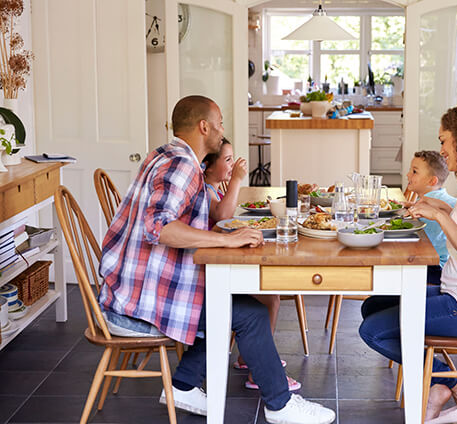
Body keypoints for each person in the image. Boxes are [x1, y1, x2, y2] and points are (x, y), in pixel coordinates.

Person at [98, 95, 335, 424]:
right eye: (220, 123)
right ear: (203, 126)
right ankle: (280, 405)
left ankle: (182, 385)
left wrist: (224, 234)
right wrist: (228, 238)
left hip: (133, 287)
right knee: (250, 314)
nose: (223, 130)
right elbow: (159, 228)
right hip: (136, 300)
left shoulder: (167, 154)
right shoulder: (180, 163)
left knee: (230, 302)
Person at [359, 102, 457, 423]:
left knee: (372, 331)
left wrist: (436, 214)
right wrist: (443, 208)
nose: (442, 149)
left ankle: (449, 379)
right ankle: (452, 379)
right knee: (373, 306)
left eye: (444, 140)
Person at [202, 139, 299, 391]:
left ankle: (249, 358)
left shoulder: (212, 187)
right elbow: (223, 215)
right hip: (212, 271)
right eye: (226, 160)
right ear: (207, 167)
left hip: (219, 259)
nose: (232, 165)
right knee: (269, 298)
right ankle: (259, 370)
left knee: (269, 295)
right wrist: (236, 180)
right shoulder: (206, 190)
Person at [405, 150, 457, 284]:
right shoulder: (443, 200)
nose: (408, 175)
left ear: (432, 181)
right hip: (444, 266)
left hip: (435, 268)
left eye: (414, 172)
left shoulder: (431, 207)